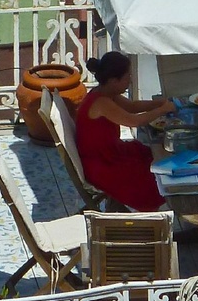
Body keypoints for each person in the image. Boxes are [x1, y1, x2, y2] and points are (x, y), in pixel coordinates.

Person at [75, 51, 176, 211]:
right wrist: (162, 110)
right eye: (127, 77)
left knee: (150, 155)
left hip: (110, 153)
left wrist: (158, 103)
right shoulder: (101, 103)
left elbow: (132, 106)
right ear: (114, 80)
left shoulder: (106, 92)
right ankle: (152, 219)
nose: (130, 80)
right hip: (102, 164)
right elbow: (134, 121)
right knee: (151, 179)